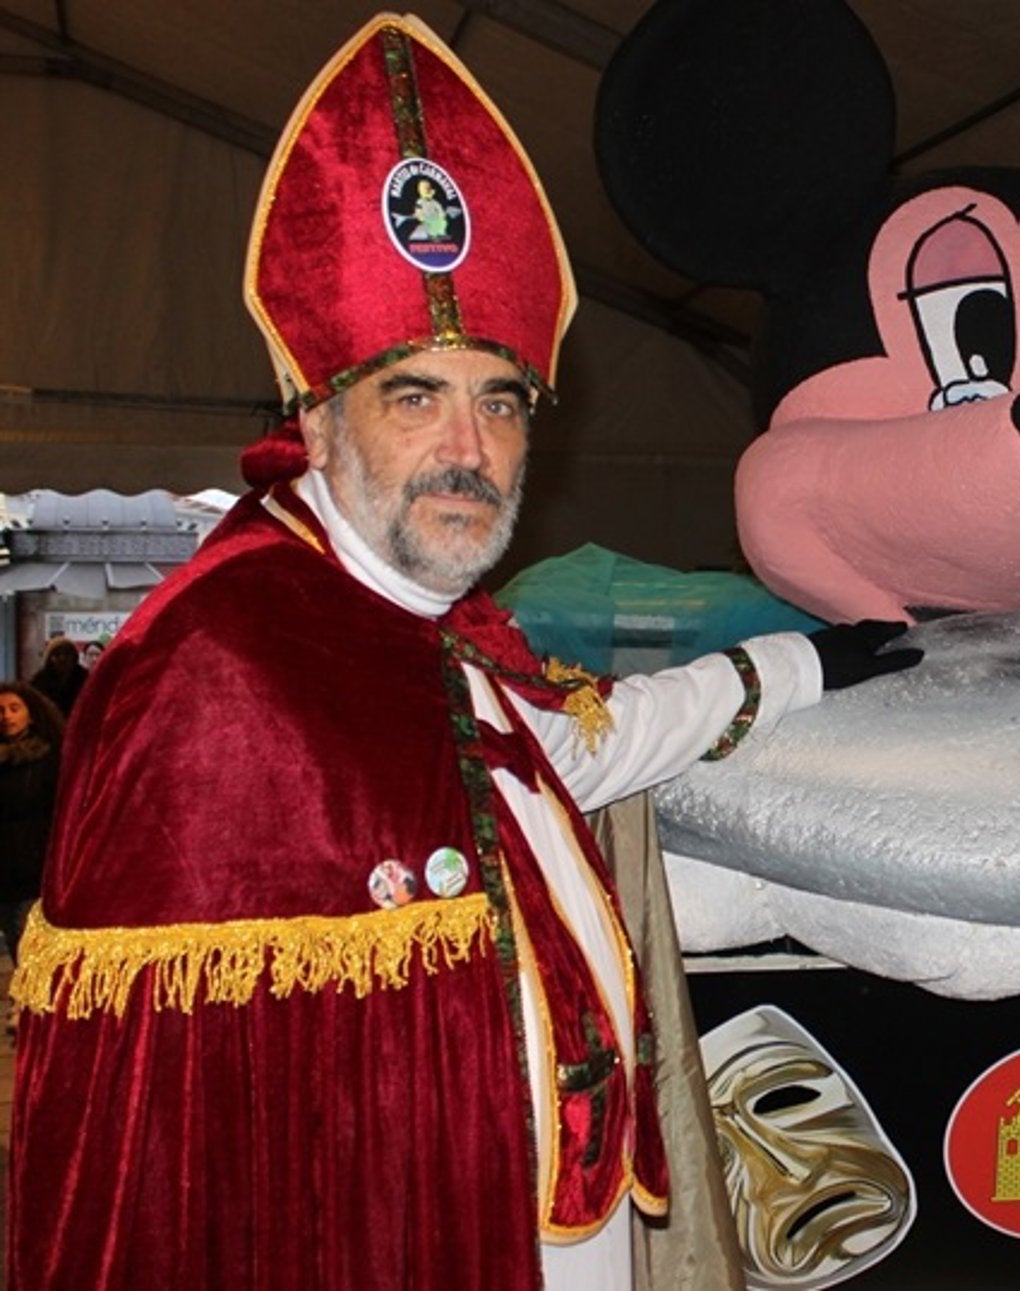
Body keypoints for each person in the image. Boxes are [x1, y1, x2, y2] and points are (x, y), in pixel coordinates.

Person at [6, 14, 917, 1290]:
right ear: (317, 423)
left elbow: (577, 750)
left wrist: (803, 667)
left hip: (565, 1220)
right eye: (415, 395)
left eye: (499, 399)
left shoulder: (429, 632)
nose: (471, 448)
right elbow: (174, 1145)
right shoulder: (219, 662)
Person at [0, 681, 62, 965]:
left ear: (31, 713)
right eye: (1, 710)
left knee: (30, 948)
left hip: (35, 868)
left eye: (14, 709)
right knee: (15, 942)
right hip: (5, 871)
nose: (7, 716)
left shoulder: (49, 758)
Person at [28, 636, 86, 716]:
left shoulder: (85, 678)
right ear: (50, 658)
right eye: (57, 655)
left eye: (67, 654)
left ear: (74, 657)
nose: (62, 659)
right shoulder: (40, 680)